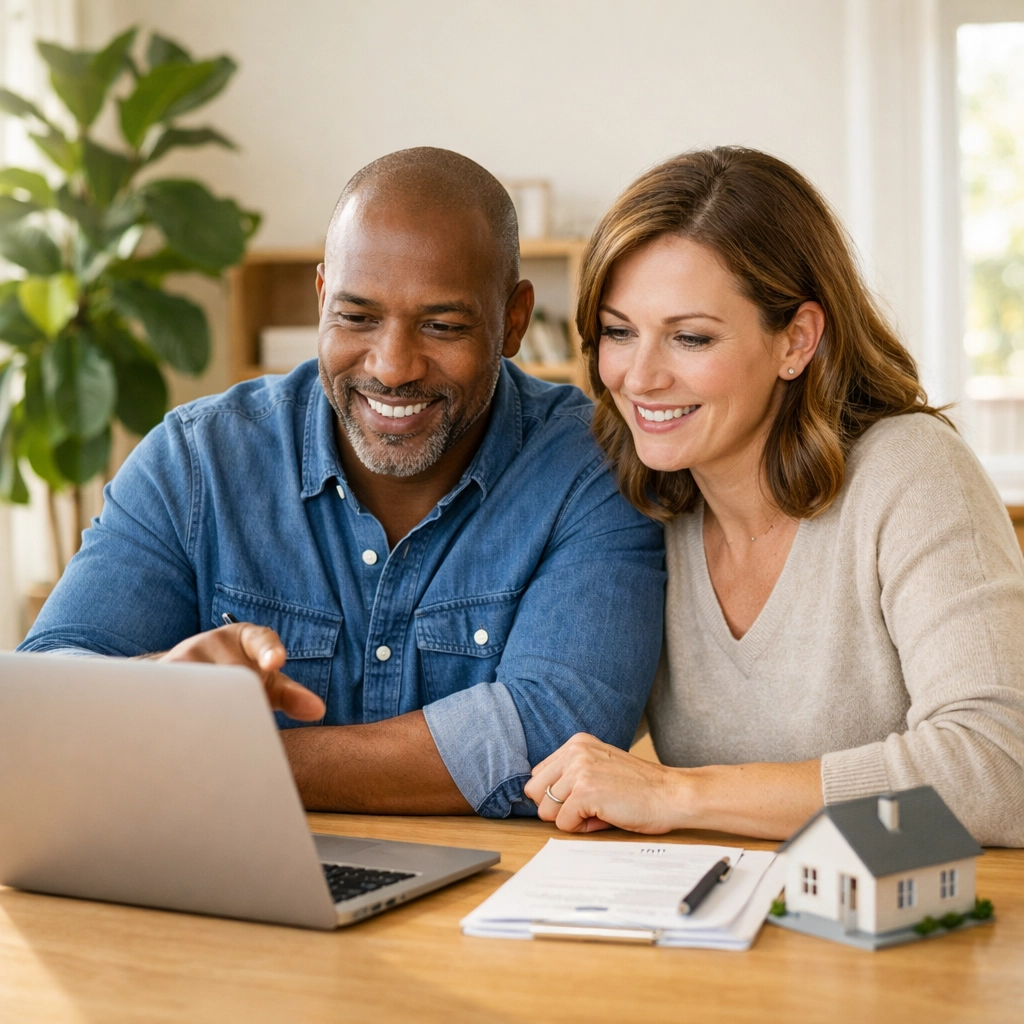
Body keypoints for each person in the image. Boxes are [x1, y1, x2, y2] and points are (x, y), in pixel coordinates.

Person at [20, 147, 665, 819]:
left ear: (514, 320)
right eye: (357, 317)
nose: (392, 367)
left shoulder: (593, 465)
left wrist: (200, 747)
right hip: (226, 886)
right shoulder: (196, 461)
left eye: (442, 326)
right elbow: (41, 697)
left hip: (483, 908)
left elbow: (554, 730)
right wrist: (152, 687)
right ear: (322, 297)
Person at [525, 147, 1024, 846]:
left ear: (796, 340)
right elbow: (550, 709)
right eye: (618, 332)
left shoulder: (912, 472)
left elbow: (1002, 767)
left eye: (690, 337)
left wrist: (677, 793)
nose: (639, 377)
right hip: (715, 931)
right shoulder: (638, 502)